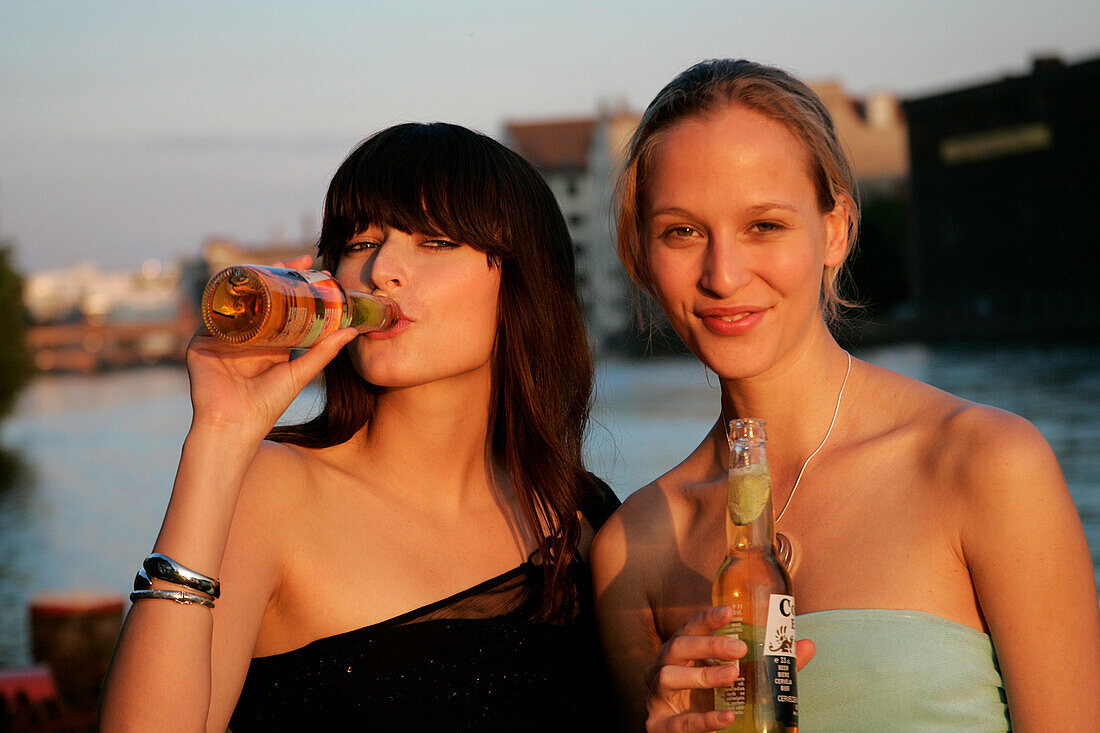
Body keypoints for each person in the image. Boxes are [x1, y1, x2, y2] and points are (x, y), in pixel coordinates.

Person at [591, 59, 1100, 732]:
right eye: (682, 231)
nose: (722, 273)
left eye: (763, 225)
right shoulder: (637, 546)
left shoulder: (986, 463)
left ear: (835, 230)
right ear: (639, 256)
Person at [99, 122, 619, 732]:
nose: (382, 269)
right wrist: (218, 436)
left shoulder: (579, 517)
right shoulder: (273, 491)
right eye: (361, 241)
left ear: (522, 278)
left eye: (436, 241)